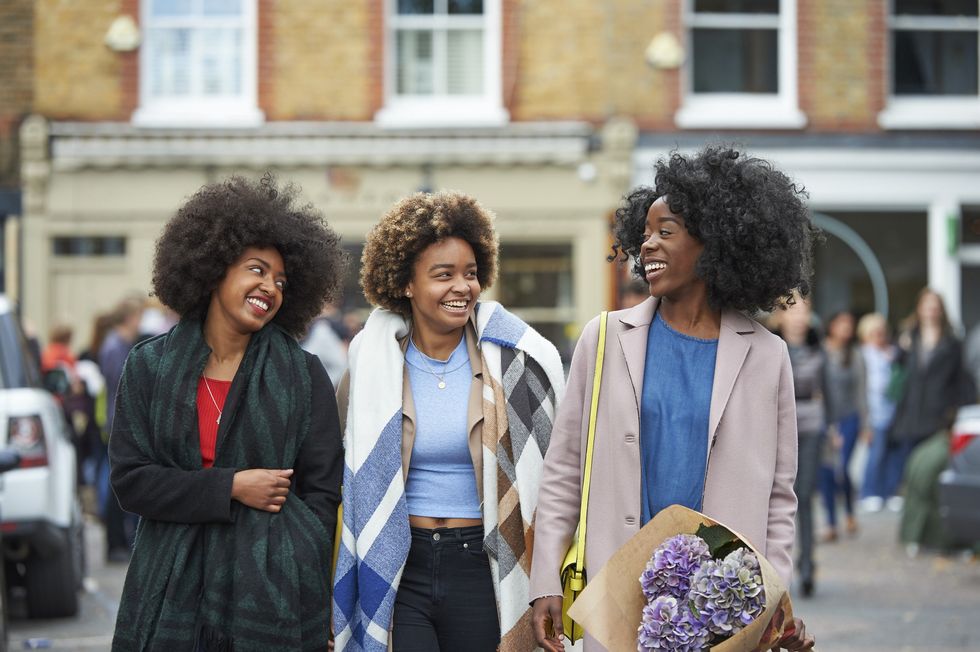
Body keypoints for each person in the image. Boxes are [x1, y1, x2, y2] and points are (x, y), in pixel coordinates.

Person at [529, 146, 816, 651]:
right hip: (617, 593)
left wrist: (773, 596)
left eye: (666, 232)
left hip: (721, 603)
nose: (648, 246)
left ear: (715, 244)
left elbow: (779, 497)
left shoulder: (768, 356)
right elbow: (564, 470)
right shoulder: (604, 338)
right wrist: (545, 579)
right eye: (644, 234)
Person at [108, 175, 346, 650]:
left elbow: (323, 489)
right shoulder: (150, 365)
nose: (270, 287)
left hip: (270, 592)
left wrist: (297, 549)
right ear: (215, 268)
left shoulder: (302, 374)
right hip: (168, 583)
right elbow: (131, 480)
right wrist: (231, 487)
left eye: (280, 280)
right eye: (256, 270)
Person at [332, 191, 565, 652]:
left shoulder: (517, 360)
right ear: (406, 284)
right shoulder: (370, 361)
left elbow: (559, 473)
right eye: (443, 275)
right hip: (400, 564)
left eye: (471, 274)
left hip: (482, 563)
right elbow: (341, 470)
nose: (463, 287)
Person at [888, 289, 967, 511]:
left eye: (935, 305)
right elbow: (897, 373)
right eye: (927, 304)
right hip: (911, 412)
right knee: (912, 469)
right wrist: (901, 348)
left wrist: (954, 415)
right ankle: (914, 517)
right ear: (919, 308)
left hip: (939, 414)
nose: (931, 309)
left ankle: (934, 520)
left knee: (934, 470)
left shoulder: (952, 342)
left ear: (941, 310)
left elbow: (960, 381)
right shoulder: (908, 337)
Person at [775, 297, 826, 598]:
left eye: (803, 311)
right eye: (792, 310)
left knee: (804, 497)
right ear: (780, 315)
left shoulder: (818, 348)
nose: (798, 317)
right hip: (778, 428)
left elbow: (828, 391)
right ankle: (778, 568)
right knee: (777, 499)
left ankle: (807, 565)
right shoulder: (769, 346)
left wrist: (832, 429)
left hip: (809, 429)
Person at [99, 296, 144, 562]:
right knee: (116, 483)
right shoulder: (115, 346)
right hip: (118, 422)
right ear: (130, 318)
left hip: (118, 420)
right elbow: (121, 386)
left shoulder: (119, 344)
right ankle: (115, 542)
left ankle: (120, 541)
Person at [817, 310, 867, 542]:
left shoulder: (855, 356)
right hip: (826, 419)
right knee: (826, 470)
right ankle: (831, 521)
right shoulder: (821, 351)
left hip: (849, 418)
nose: (846, 328)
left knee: (843, 467)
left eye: (850, 324)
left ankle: (848, 509)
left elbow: (861, 392)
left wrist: (866, 425)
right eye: (842, 323)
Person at [857, 313, 900, 512]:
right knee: (876, 455)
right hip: (874, 413)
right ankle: (869, 492)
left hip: (893, 411)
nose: (879, 337)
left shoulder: (891, 353)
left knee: (892, 455)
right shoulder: (863, 355)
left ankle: (889, 492)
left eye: (881, 333)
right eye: (874, 333)